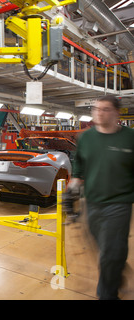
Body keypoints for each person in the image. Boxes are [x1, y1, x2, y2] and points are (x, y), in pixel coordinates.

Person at [69, 95, 134, 300]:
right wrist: (72, 189)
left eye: (105, 109)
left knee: (110, 251)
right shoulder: (86, 138)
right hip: (93, 201)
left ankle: (107, 294)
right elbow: (79, 165)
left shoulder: (130, 137)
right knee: (103, 247)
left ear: (116, 112)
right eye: (96, 109)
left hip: (120, 202)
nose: (99, 113)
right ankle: (117, 269)